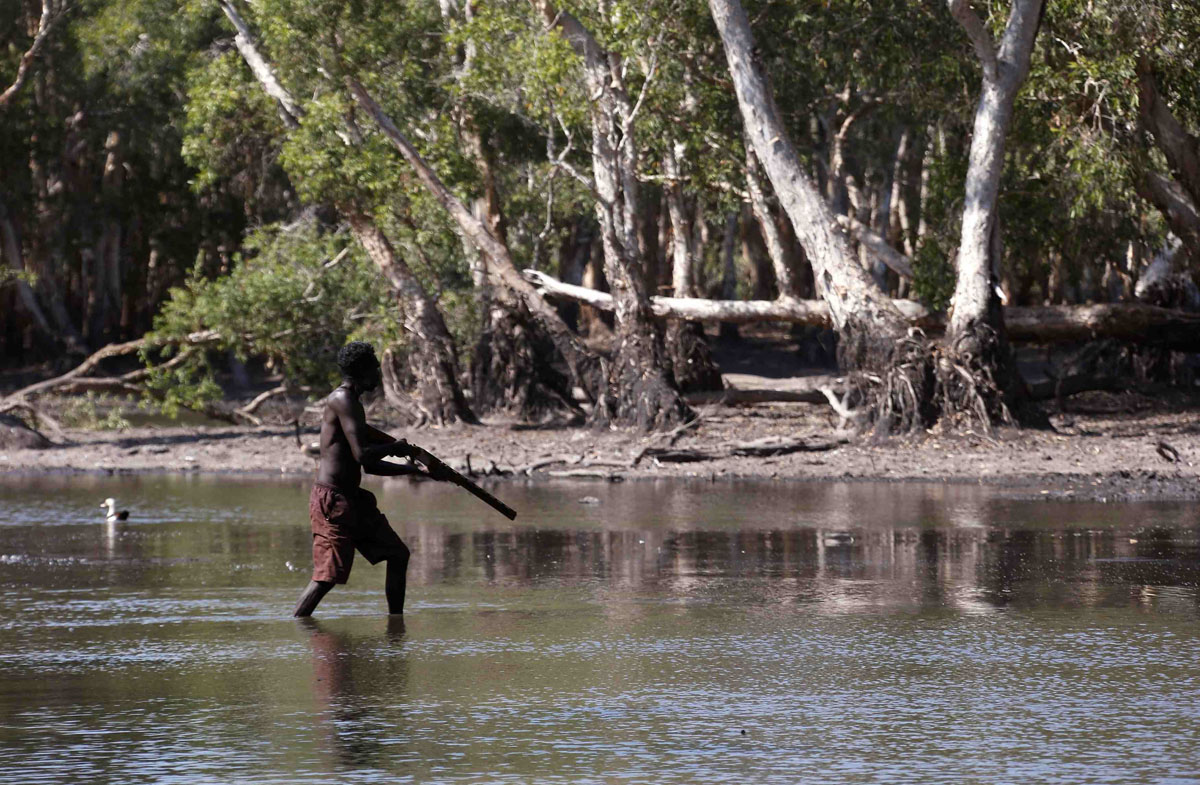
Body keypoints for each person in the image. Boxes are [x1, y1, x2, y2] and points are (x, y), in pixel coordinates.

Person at [293, 341, 446, 617]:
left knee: (398, 555)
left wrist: (414, 471)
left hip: (352, 500)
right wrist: (396, 447)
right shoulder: (342, 400)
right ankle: (298, 625)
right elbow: (364, 455)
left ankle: (395, 629)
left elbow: (371, 468)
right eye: (375, 368)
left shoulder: (354, 403)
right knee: (326, 577)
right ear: (361, 370)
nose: (378, 374)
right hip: (332, 501)